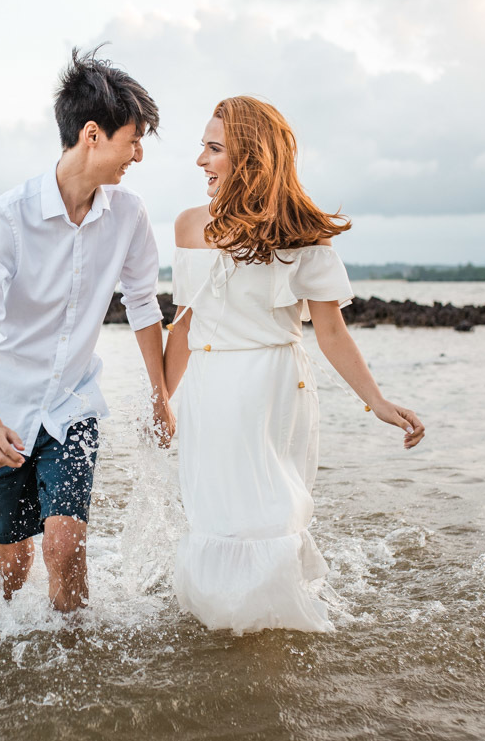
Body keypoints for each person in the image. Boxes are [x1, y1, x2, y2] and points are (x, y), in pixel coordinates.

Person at [163, 96, 426, 633]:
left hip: (276, 387)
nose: (200, 162)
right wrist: (160, 402)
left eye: (214, 149)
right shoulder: (189, 227)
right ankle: (226, 636)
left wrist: (376, 401)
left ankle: (266, 631)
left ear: (250, 157)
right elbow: (184, 327)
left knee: (269, 516)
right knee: (217, 518)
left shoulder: (303, 236)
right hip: (210, 389)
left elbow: (330, 330)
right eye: (203, 149)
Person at [0, 48, 175, 613]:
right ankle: (1, 644)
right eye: (133, 139)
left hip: (74, 406)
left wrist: (160, 394)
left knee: (66, 546)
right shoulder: (8, 216)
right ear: (92, 134)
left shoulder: (129, 214)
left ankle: (72, 655)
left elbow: (144, 305)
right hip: (3, 413)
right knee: (14, 562)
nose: (138, 155)